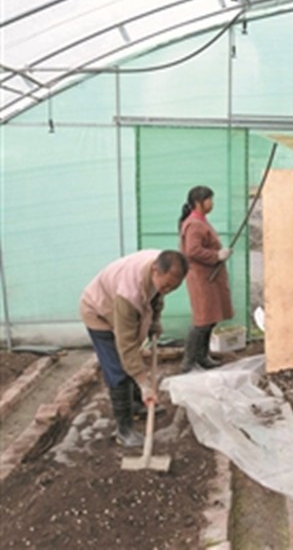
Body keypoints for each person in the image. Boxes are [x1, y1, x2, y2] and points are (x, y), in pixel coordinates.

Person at [80, 249, 188, 447]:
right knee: (118, 368)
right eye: (166, 285)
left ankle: (137, 405)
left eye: (174, 287)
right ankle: (124, 430)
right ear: (155, 270)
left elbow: (157, 296)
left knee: (131, 361)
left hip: (116, 305)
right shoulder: (129, 293)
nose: (169, 290)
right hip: (98, 312)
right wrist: (144, 383)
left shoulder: (162, 265)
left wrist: (155, 321)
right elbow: (127, 345)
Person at [179, 185, 234, 373]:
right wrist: (216, 256)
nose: (212, 203)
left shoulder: (201, 221)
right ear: (198, 202)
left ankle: (202, 356)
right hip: (201, 278)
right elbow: (192, 250)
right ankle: (189, 361)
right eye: (209, 199)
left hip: (209, 277)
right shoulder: (194, 224)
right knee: (202, 320)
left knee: (210, 318)